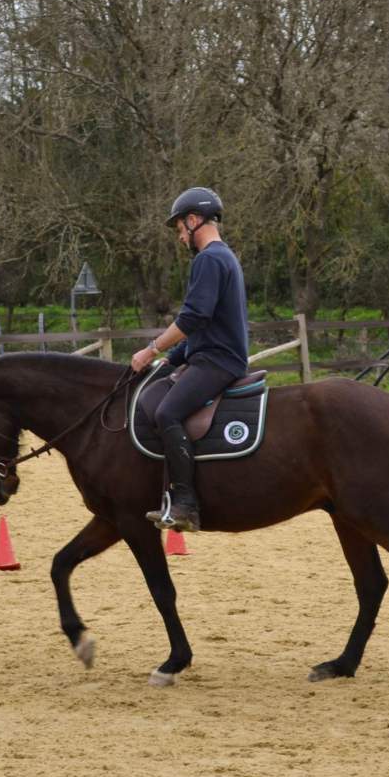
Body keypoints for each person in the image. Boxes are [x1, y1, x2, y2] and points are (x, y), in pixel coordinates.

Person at [131, 187, 249, 532]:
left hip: (218, 363)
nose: (181, 236)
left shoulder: (209, 259)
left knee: (168, 412)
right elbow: (205, 326)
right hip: (210, 355)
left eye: (181, 228)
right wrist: (172, 359)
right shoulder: (223, 257)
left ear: (194, 221)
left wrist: (151, 349)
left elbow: (193, 318)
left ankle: (185, 503)